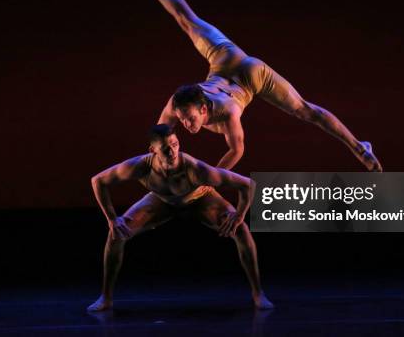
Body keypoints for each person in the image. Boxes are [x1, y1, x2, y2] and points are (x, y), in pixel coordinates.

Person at [118, 0, 382, 172]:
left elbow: (236, 150)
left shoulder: (228, 112)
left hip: (252, 76)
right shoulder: (177, 104)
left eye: (190, 119)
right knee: (187, 20)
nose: (185, 125)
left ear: (203, 109)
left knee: (304, 110)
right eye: (183, 119)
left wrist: (208, 178)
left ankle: (360, 147)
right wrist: (154, 154)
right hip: (223, 59)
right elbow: (159, 134)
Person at [88, 124, 274, 311]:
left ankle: (258, 293)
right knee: (116, 233)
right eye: (165, 148)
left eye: (175, 144)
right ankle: (106, 297)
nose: (172, 151)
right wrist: (112, 218)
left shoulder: (197, 169)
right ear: (153, 150)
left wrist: (239, 215)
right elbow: (98, 181)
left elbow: (248, 185)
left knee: (241, 230)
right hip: (161, 201)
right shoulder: (141, 166)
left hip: (200, 198)